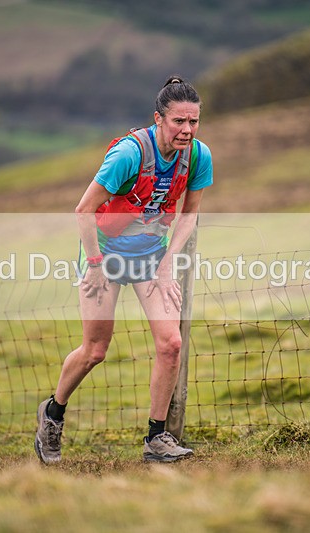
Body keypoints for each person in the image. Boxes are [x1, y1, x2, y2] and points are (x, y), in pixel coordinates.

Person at [35, 75, 214, 464]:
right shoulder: (129, 155)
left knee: (171, 344)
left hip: (151, 254)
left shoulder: (198, 156)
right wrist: (95, 265)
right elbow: (83, 210)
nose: (187, 130)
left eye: (193, 121)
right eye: (179, 121)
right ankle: (52, 414)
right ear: (158, 119)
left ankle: (156, 438)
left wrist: (168, 262)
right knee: (95, 350)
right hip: (104, 252)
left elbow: (190, 214)